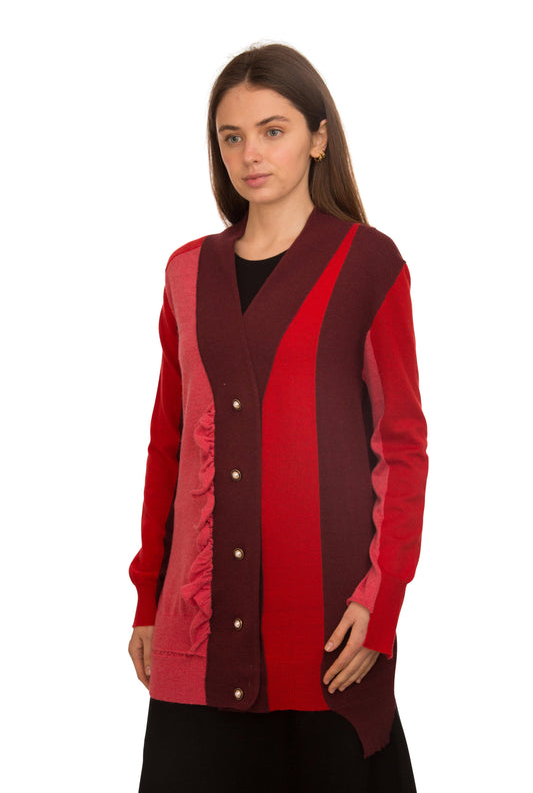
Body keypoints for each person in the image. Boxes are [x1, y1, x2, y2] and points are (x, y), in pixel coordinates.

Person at [128, 42, 428, 793]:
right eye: (231, 137)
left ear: (318, 137)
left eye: (273, 130)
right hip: (196, 630)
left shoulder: (367, 264)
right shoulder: (186, 272)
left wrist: (381, 600)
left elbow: (401, 447)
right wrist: (146, 598)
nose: (250, 154)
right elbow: (168, 445)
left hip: (325, 631)